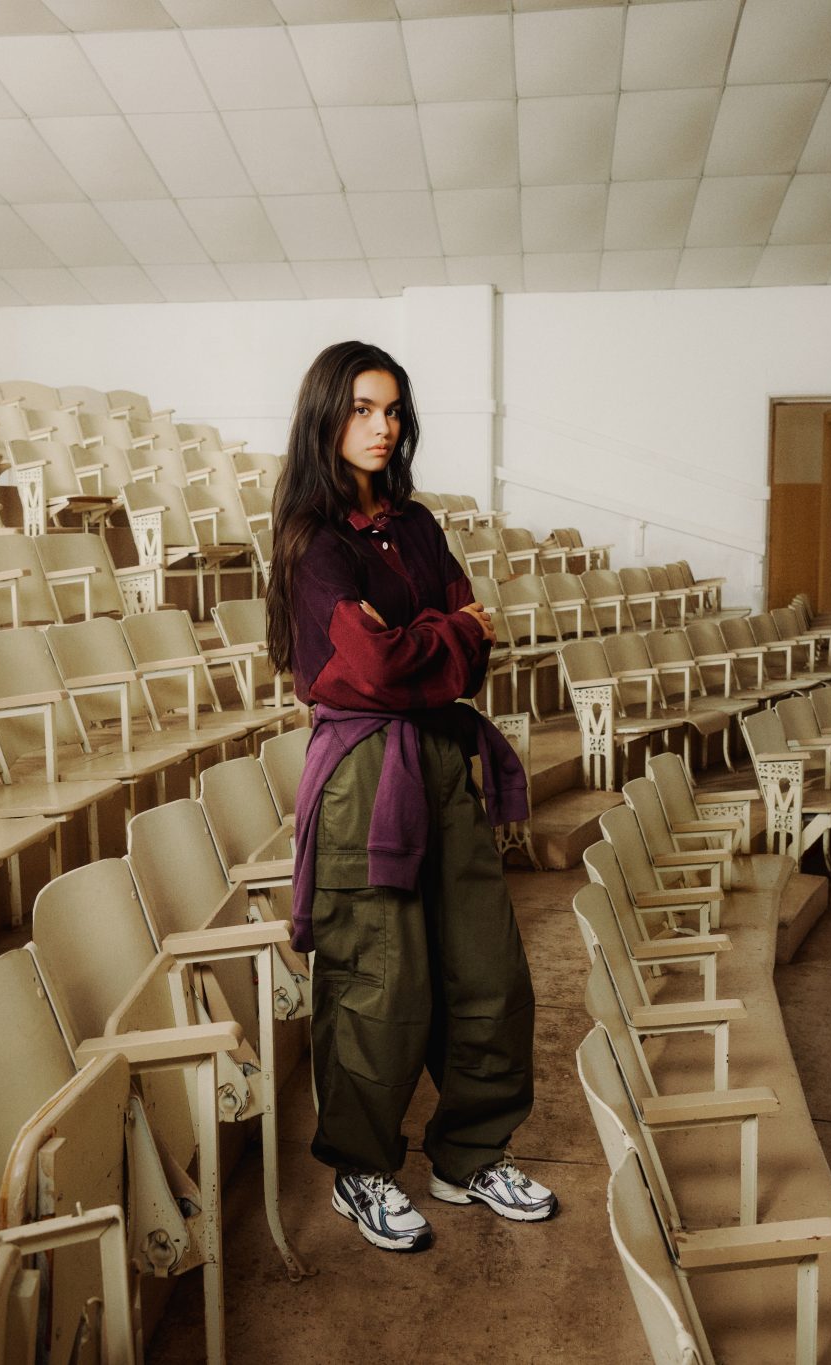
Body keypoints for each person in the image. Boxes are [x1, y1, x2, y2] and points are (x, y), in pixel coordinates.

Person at [266, 339, 554, 1254]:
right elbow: (373, 667)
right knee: (379, 980)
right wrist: (447, 633)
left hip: (440, 757)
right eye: (361, 409)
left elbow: (473, 647)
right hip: (364, 776)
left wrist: (430, 639)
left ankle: (469, 1155)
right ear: (327, 415)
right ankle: (361, 1169)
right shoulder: (313, 541)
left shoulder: (420, 527)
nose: (381, 426)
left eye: (392, 410)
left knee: (487, 970)